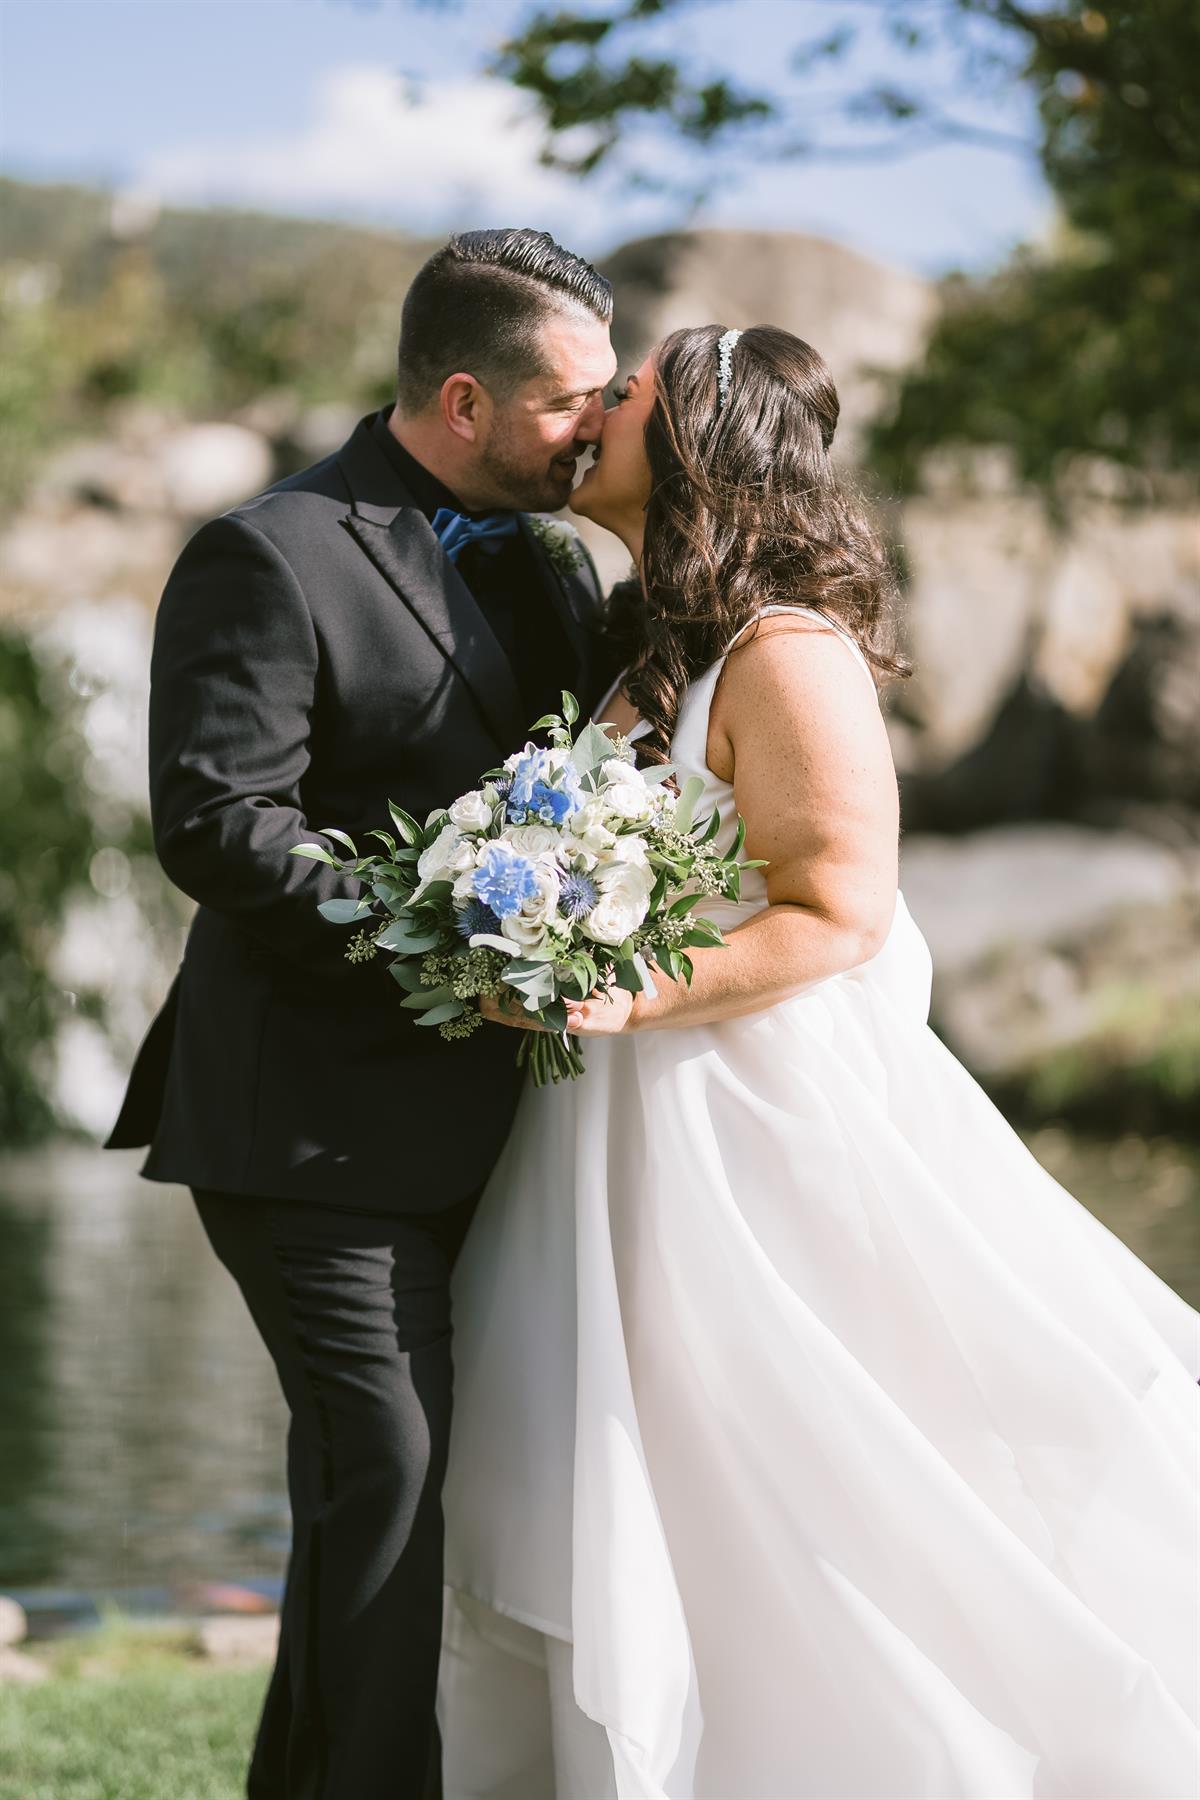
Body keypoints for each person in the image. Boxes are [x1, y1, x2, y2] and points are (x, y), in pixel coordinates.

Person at [436, 325, 1200, 1799]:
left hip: (740, 1135)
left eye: (625, 394)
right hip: (601, 1142)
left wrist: (620, 996)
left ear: (697, 438)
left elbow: (840, 910)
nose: (591, 413)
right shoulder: (650, 650)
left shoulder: (784, 650)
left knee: (787, 1475)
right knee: (610, 1478)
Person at [104, 228, 619, 1800]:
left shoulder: (557, 564)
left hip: (500, 1128)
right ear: (464, 399)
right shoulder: (268, 552)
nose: (593, 430)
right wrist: (451, 925)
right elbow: (217, 823)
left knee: (392, 1489)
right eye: (568, 402)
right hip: (306, 1127)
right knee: (388, 1467)